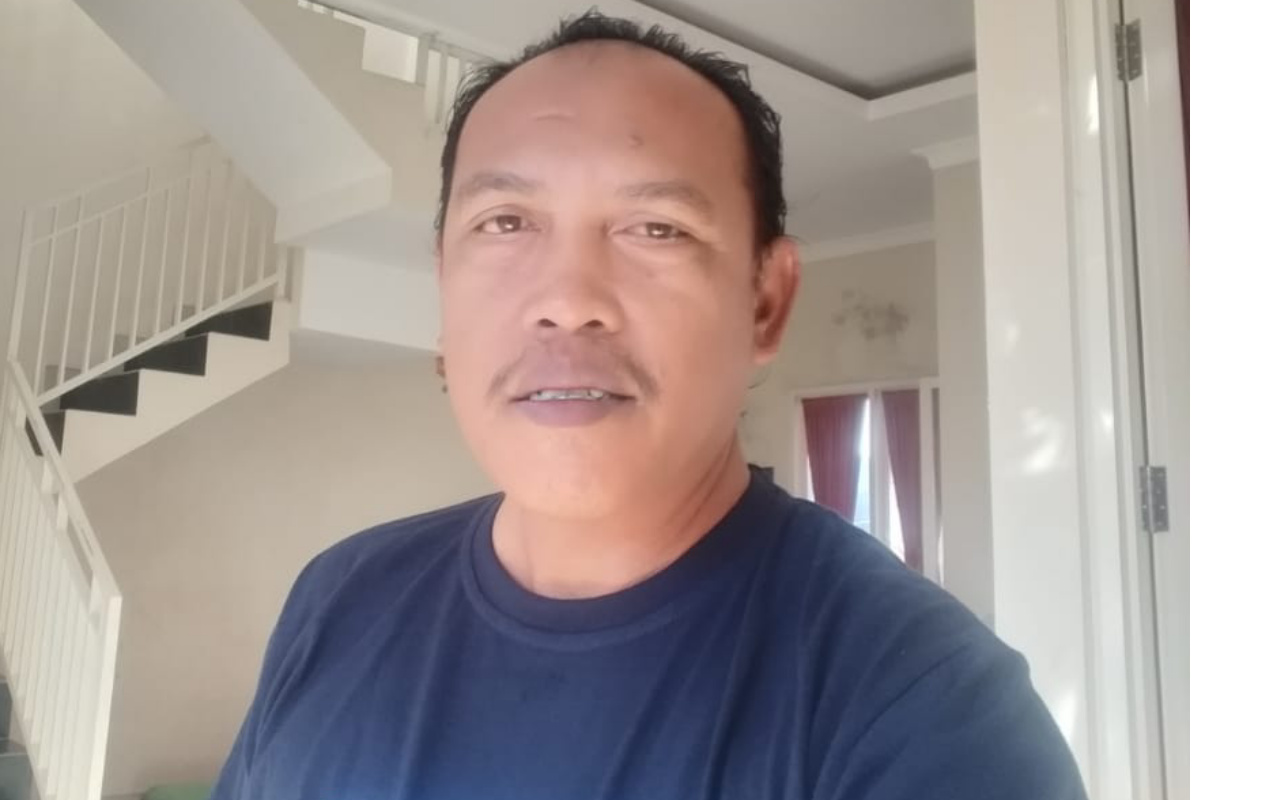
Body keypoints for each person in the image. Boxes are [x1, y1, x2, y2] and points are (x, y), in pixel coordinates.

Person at [211, 11, 1086, 800]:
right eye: (505, 222)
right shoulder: (340, 597)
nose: (568, 299)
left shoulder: (924, 711)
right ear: (442, 277)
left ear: (765, 302)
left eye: (657, 228)